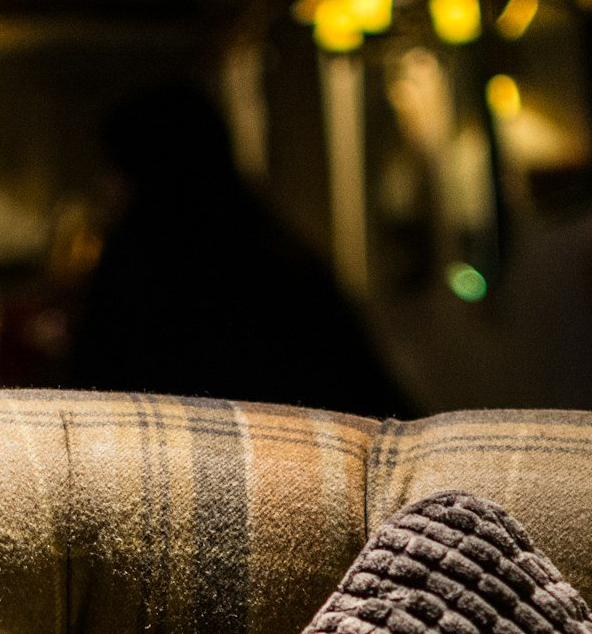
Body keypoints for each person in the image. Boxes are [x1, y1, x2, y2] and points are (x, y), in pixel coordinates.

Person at [72, 81, 411, 417]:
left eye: (113, 168)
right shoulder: (272, 249)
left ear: (141, 170)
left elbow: (97, 386)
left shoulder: (141, 261)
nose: (105, 186)